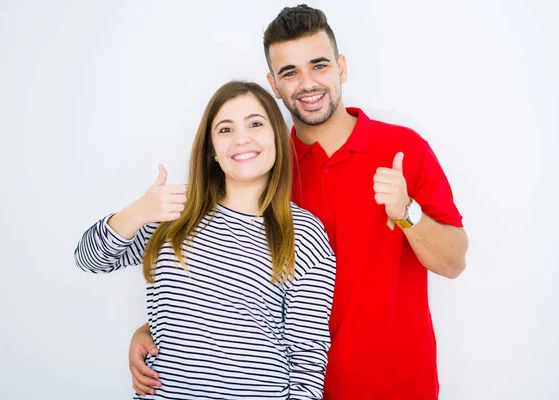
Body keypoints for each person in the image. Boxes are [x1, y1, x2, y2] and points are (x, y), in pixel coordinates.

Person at [128, 5, 469, 400]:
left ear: (341, 67)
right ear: (273, 83)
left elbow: (454, 262)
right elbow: (223, 281)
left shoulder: (403, 149)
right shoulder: (261, 171)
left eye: (319, 65)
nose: (307, 83)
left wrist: (407, 213)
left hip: (396, 386)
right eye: (290, 72)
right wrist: (155, 329)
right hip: (289, 388)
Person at [74, 80, 336, 399]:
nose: (242, 138)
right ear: (212, 149)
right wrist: (138, 211)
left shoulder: (303, 233)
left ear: (278, 138)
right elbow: (89, 260)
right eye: (225, 129)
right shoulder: (174, 212)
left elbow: (307, 356)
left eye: (255, 124)